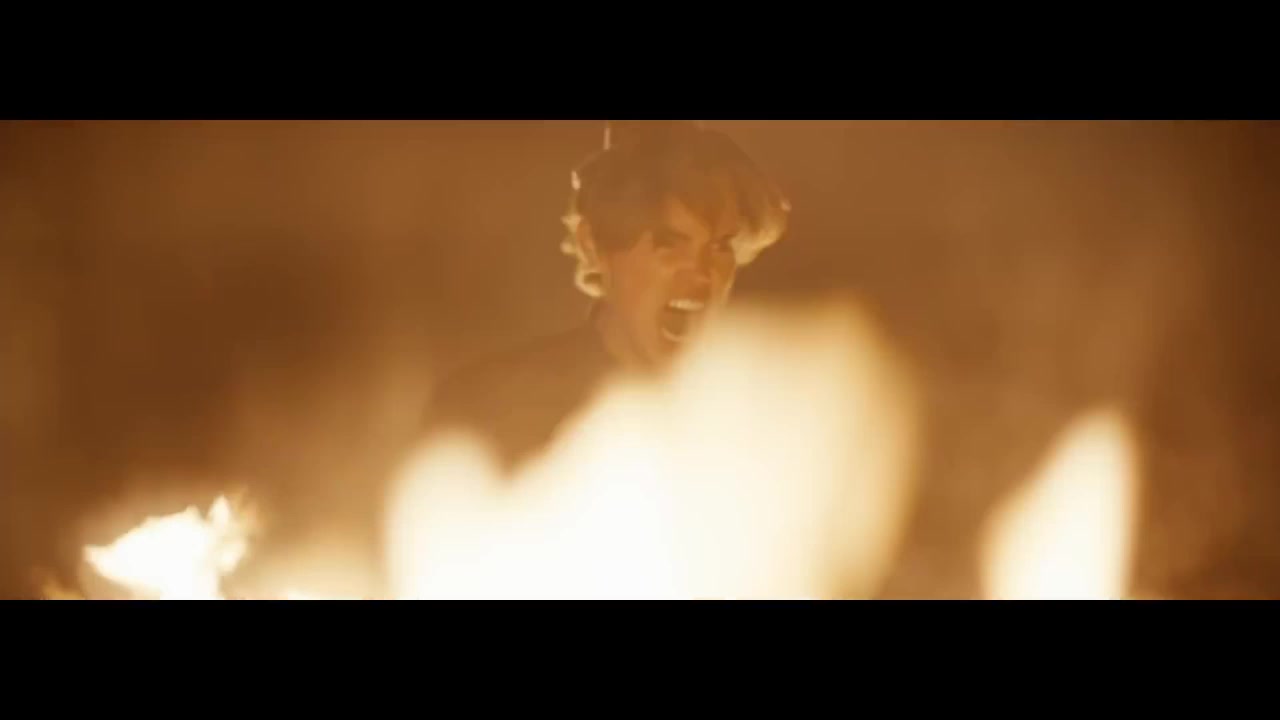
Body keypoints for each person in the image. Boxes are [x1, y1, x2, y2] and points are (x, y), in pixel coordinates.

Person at [423, 120, 791, 470]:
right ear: (594, 246)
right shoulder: (490, 415)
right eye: (669, 242)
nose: (701, 271)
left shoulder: (767, 428)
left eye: (721, 246)